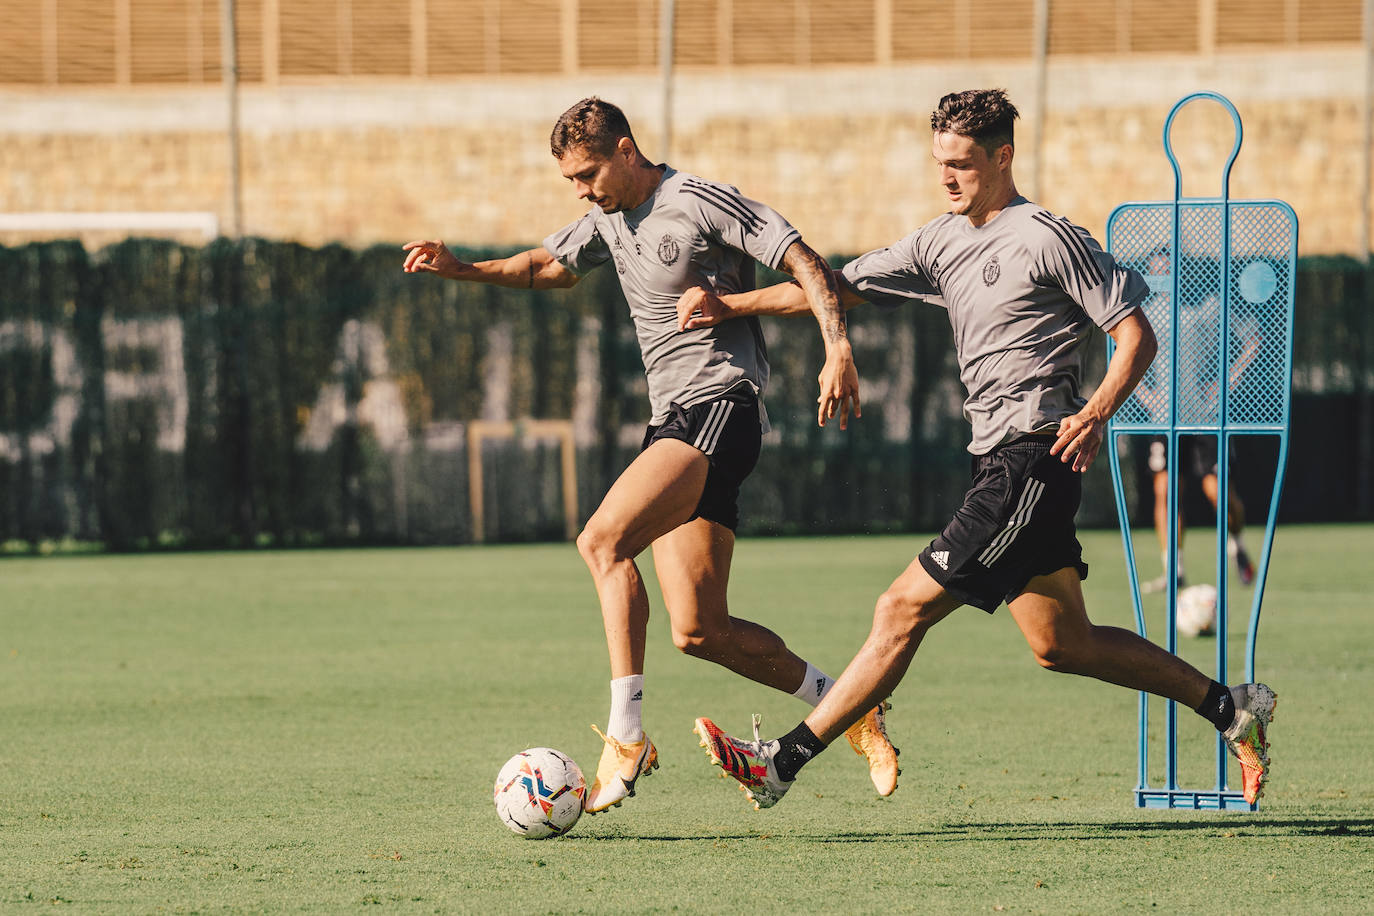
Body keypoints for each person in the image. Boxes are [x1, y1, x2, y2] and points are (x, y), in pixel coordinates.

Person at [680, 89, 1276, 809]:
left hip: (1034, 459)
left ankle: (781, 761)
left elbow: (1135, 335)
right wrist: (732, 306)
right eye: (940, 163)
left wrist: (1095, 412)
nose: (947, 177)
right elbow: (836, 289)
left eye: (962, 163)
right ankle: (1234, 709)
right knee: (1064, 644)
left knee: (900, 608)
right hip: (996, 462)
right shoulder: (938, 240)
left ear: (1002, 156)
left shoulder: (1048, 237)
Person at [402, 97, 897, 815]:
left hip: (721, 408)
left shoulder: (697, 200)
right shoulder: (606, 216)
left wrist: (837, 345)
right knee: (700, 630)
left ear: (627, 150)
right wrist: (463, 268)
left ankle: (628, 737)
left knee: (602, 541)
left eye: (589, 172)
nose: (581, 189)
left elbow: (803, 259)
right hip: (676, 421)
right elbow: (549, 266)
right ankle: (851, 707)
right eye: (571, 178)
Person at [1136, 249, 1256, 593]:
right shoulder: (1147, 313)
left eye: (1168, 268)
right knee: (1166, 492)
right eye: (1156, 269)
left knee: (1218, 493)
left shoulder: (1208, 305)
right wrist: (1146, 394)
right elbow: (1124, 353)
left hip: (1204, 420)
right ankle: (1173, 569)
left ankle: (1237, 545)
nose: (1162, 275)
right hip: (1164, 421)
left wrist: (1224, 383)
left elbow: (1251, 340)